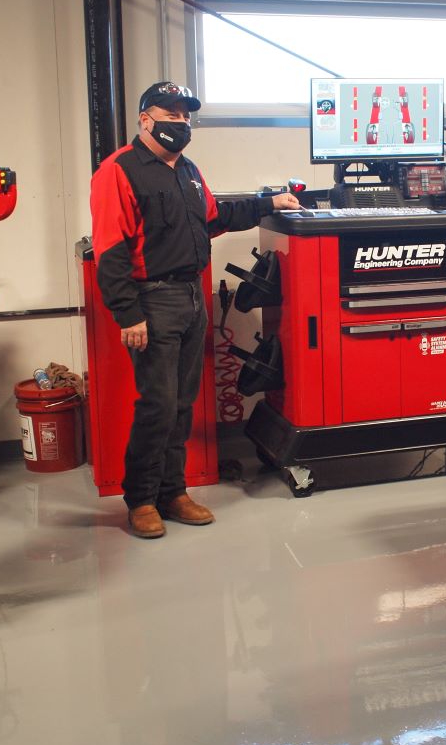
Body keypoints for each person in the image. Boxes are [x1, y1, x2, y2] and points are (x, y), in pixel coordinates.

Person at [90, 81, 300, 539]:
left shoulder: (187, 170)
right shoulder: (118, 172)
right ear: (145, 119)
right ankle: (141, 499)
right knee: (157, 405)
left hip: (190, 296)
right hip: (152, 301)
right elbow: (111, 251)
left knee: (182, 404)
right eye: (171, 115)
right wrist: (128, 314)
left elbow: (214, 217)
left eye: (186, 116)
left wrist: (269, 203)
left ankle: (173, 491)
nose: (181, 123)